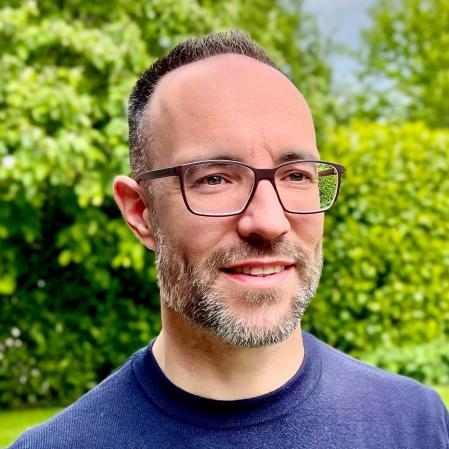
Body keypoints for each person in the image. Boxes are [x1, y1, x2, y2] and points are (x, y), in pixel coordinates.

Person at [10, 30, 449, 449]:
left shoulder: (416, 424)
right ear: (140, 212)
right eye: (214, 179)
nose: (269, 221)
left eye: (297, 176)